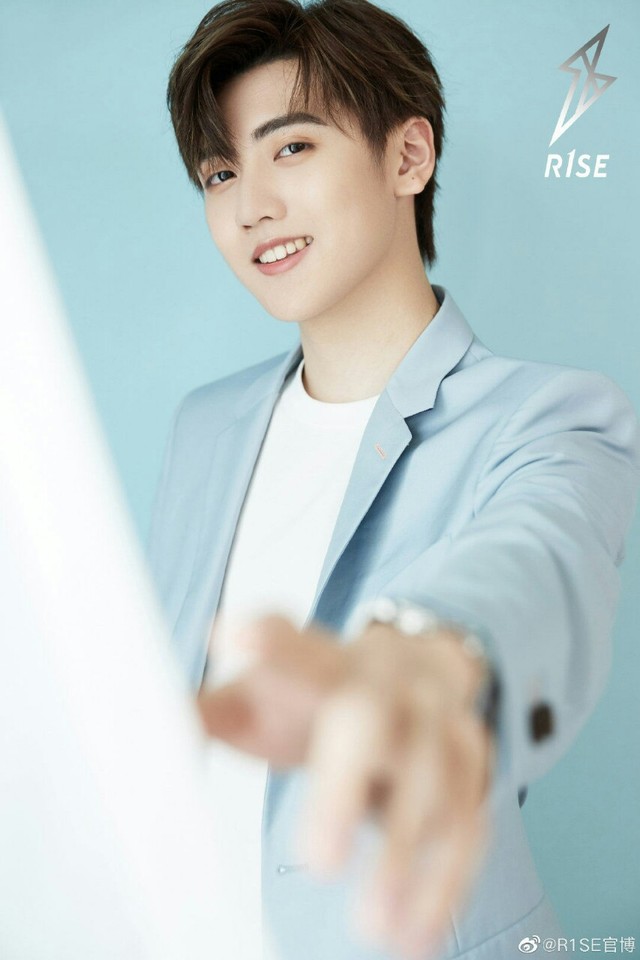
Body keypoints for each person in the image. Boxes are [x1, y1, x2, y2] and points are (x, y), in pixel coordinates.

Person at [149, 1, 640, 957]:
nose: (250, 205)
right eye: (220, 172)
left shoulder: (550, 416)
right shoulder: (203, 429)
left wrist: (431, 651)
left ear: (408, 156)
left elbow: (538, 561)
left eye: (292, 148)